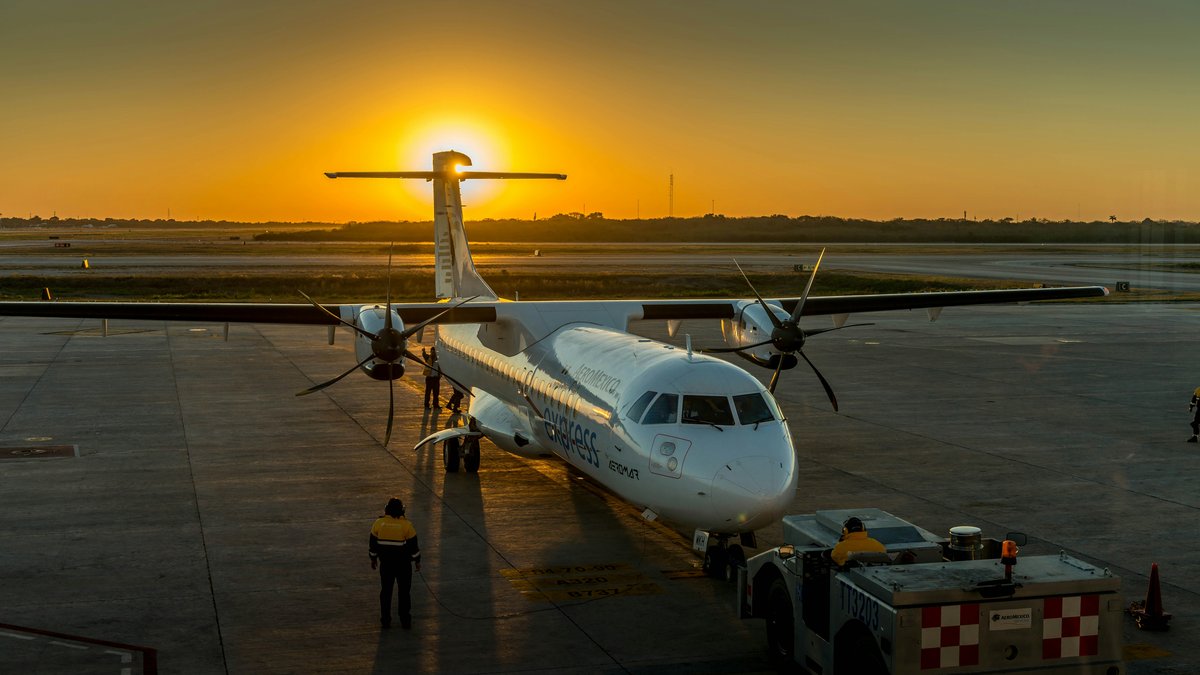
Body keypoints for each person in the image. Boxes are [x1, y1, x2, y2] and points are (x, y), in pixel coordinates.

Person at [369, 497, 421, 629]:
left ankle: (385, 620)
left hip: (386, 565)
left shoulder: (378, 523)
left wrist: (373, 559)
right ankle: (405, 620)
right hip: (403, 566)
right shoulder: (407, 525)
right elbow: (413, 547)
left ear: (386, 510)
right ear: (402, 511)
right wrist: (417, 561)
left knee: (386, 592)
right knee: (404, 592)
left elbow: (373, 545)